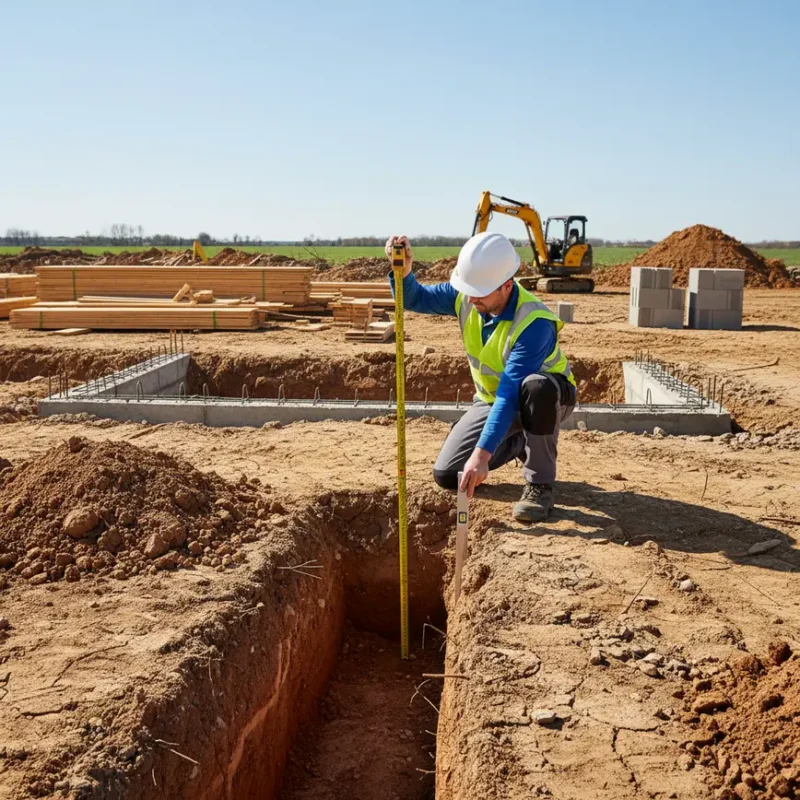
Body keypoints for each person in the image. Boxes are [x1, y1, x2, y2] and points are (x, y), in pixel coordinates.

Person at [385, 232, 576, 522]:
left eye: (480, 292)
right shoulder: (467, 296)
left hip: (547, 399)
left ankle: (539, 484)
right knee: (449, 474)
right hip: (490, 401)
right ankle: (517, 441)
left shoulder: (534, 323)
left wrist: (483, 455)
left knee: (536, 388)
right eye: (468, 289)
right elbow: (415, 298)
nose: (471, 297)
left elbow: (510, 393)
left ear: (506, 286)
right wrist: (405, 272)